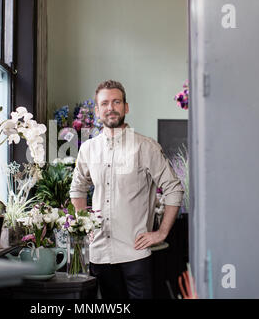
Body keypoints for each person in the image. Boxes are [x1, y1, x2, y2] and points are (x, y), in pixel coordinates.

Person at [69, 80, 184, 299]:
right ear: (97, 110)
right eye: (104, 103)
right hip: (99, 253)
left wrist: (161, 232)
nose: (110, 108)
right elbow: (77, 189)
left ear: (126, 107)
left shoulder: (145, 146)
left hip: (135, 253)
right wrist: (84, 224)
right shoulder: (88, 149)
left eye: (116, 102)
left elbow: (173, 188)